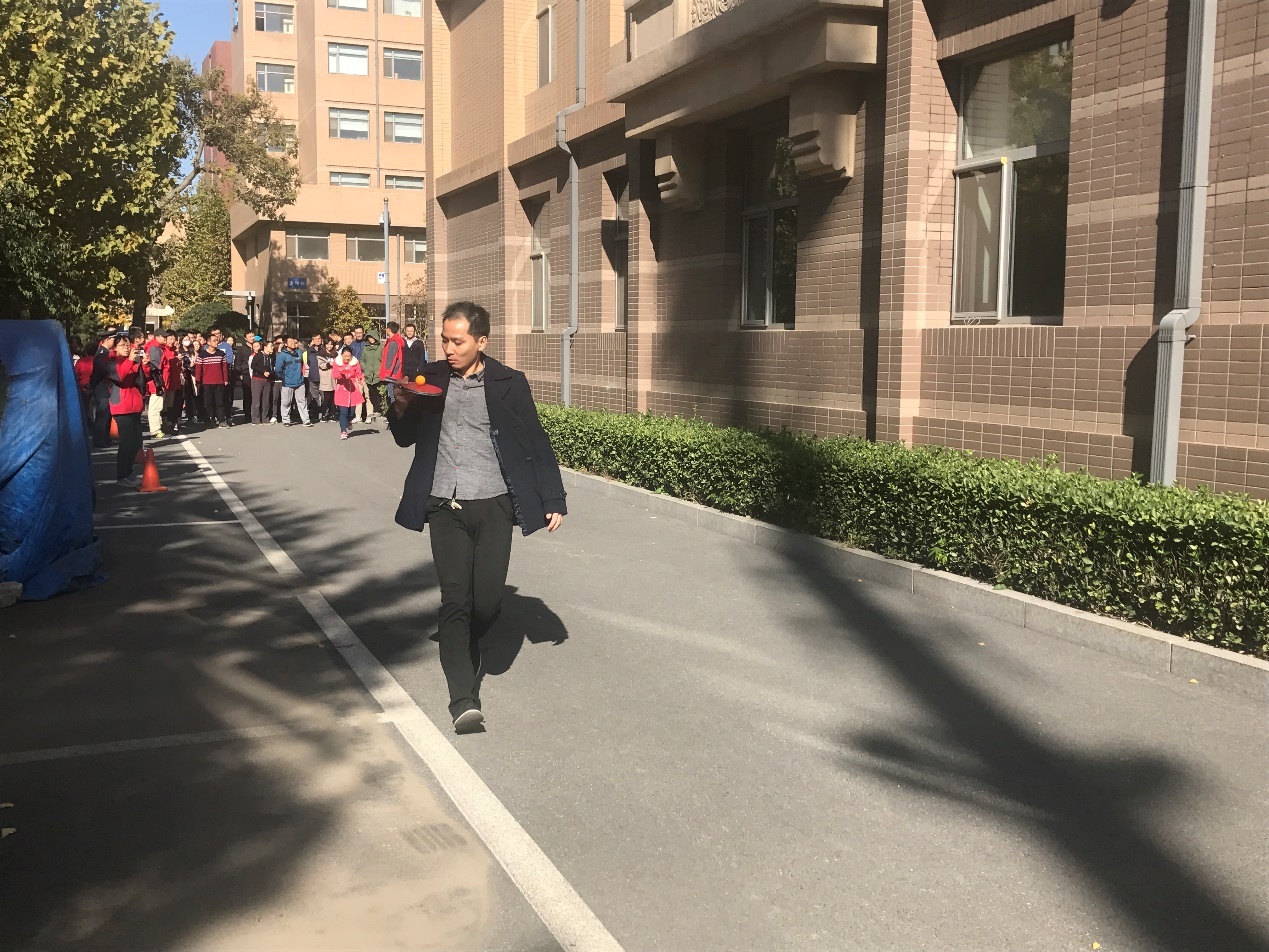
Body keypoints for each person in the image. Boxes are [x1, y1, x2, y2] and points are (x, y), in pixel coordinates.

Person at [387, 301, 567, 733]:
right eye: (444, 340)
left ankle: (468, 637)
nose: (448, 349)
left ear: (481, 341)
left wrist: (552, 496)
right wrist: (401, 405)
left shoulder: (509, 382)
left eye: (458, 341)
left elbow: (536, 440)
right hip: (443, 503)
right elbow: (404, 438)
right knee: (455, 599)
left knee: (485, 602)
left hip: (494, 503)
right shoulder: (429, 378)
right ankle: (463, 699)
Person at [106, 336, 149, 487]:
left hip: (135, 405)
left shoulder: (133, 360)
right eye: (122, 345)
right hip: (121, 407)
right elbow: (120, 376)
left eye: (127, 345)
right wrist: (130, 360)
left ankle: (128, 472)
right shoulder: (111, 362)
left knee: (136, 442)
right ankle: (122, 475)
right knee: (126, 443)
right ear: (115, 348)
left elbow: (143, 379)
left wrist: (145, 365)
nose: (126, 347)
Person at [90, 329, 120, 447]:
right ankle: (99, 439)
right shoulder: (102, 354)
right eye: (113, 339)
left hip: (105, 387)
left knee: (107, 414)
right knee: (102, 414)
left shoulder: (105, 353)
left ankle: (105, 437)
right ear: (107, 340)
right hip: (102, 388)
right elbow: (101, 372)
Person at [195, 329, 230, 427]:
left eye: (217, 340)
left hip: (219, 382)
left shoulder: (221, 354)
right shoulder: (202, 355)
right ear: (208, 342)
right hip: (206, 383)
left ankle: (221, 420)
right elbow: (198, 369)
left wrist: (226, 380)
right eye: (214, 340)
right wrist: (198, 381)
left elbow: (224, 368)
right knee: (208, 403)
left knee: (220, 402)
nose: (216, 342)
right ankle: (209, 421)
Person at [275, 334, 312, 426]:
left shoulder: (299, 352)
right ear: (285, 344)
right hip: (287, 383)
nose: (293, 343)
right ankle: (286, 420)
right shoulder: (281, 355)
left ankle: (306, 420)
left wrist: (301, 376)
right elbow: (278, 370)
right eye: (290, 341)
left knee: (302, 401)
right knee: (286, 402)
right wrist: (284, 378)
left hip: (300, 382)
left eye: (293, 341)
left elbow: (302, 365)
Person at [331, 346, 365, 440]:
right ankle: (343, 431)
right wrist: (341, 373)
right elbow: (334, 375)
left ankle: (348, 421)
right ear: (341, 355)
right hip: (341, 390)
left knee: (351, 413)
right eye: (345, 356)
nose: (347, 358)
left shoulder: (355, 362)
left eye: (349, 356)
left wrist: (360, 378)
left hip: (352, 389)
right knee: (343, 412)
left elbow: (358, 373)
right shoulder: (337, 362)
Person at [248, 338, 274, 424]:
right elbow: (253, 366)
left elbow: (272, 368)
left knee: (266, 401)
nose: (272, 347)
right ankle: (255, 419)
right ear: (265, 347)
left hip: (267, 380)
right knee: (256, 401)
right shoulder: (259, 355)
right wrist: (263, 372)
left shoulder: (270, 357)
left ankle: (265, 418)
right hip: (257, 380)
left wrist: (270, 373)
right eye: (271, 346)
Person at [380, 321, 405, 403]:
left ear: (389, 329)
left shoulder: (393, 343)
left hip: (392, 374)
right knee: (392, 395)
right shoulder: (394, 341)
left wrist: (386, 373)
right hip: (394, 373)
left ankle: (394, 410)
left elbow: (391, 359)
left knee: (392, 396)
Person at [360, 333, 382, 423]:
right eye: (369, 338)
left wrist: (380, 369)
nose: (371, 339)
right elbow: (362, 360)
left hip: (378, 374)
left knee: (378, 392)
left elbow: (384, 359)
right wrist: (365, 368)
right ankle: (375, 409)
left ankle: (379, 410)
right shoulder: (366, 348)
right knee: (371, 393)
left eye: (372, 337)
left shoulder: (381, 347)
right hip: (368, 374)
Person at [233, 335, 254, 424]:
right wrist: (239, 373)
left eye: (253, 336)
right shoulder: (242, 349)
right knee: (247, 394)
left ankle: (256, 414)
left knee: (256, 395)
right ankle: (247, 415)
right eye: (250, 336)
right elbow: (238, 362)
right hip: (246, 374)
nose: (252, 338)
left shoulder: (257, 346)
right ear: (246, 338)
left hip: (256, 373)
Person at [305, 333, 324, 419]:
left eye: (319, 338)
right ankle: (315, 414)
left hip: (323, 377)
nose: (317, 340)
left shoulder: (324, 349)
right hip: (313, 376)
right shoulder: (309, 350)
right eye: (315, 339)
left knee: (324, 397)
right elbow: (309, 362)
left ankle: (324, 414)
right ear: (312, 341)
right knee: (314, 397)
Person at [318, 341, 336, 421]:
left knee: (333, 398)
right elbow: (321, 365)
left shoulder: (335, 354)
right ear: (325, 345)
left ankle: (332, 414)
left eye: (331, 344)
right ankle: (324, 414)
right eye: (328, 344)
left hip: (334, 378)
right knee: (326, 398)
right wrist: (329, 364)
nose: (329, 346)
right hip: (326, 378)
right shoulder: (321, 354)